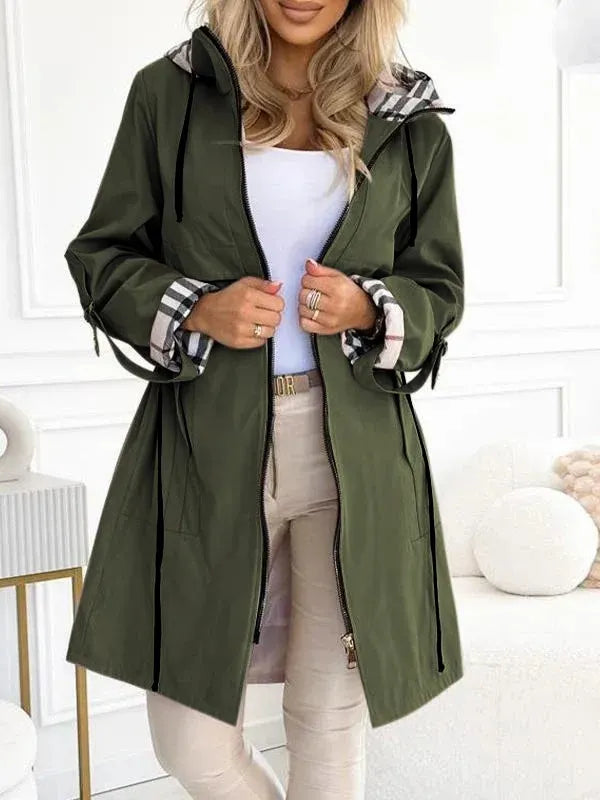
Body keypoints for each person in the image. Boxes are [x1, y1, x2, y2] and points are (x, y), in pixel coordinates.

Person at [63, 0, 466, 797]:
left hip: (355, 447)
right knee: (192, 743)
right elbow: (102, 255)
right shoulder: (170, 95)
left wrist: (368, 306)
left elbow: (439, 288)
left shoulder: (407, 117)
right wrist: (196, 308)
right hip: (204, 443)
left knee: (328, 725)